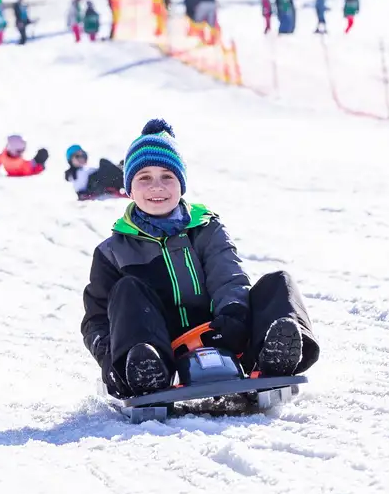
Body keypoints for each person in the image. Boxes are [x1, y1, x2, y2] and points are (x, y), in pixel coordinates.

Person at [80, 119, 319, 397]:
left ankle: (272, 358)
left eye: (167, 176)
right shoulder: (112, 251)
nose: (157, 186)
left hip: (222, 334)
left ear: (181, 184)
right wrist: (110, 361)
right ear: (129, 190)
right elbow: (97, 319)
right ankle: (144, 372)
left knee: (280, 283)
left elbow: (227, 275)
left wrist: (234, 315)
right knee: (126, 290)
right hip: (158, 350)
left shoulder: (206, 227)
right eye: (144, 177)